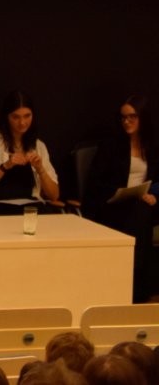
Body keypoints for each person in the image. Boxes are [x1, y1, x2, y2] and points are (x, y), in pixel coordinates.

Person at [84, 94, 158, 301]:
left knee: (142, 209)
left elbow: (157, 180)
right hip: (114, 204)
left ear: (142, 118)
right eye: (123, 117)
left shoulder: (151, 147)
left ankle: (136, 277)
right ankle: (137, 282)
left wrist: (154, 195)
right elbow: (95, 183)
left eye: (132, 117)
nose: (127, 121)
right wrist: (119, 191)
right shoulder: (111, 146)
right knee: (138, 212)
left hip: (144, 204)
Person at [0, 90, 59, 213]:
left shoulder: (38, 145)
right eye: (16, 117)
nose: (22, 122)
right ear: (7, 117)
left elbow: (54, 195)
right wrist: (5, 166)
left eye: (27, 116)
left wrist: (40, 169)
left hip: (30, 206)